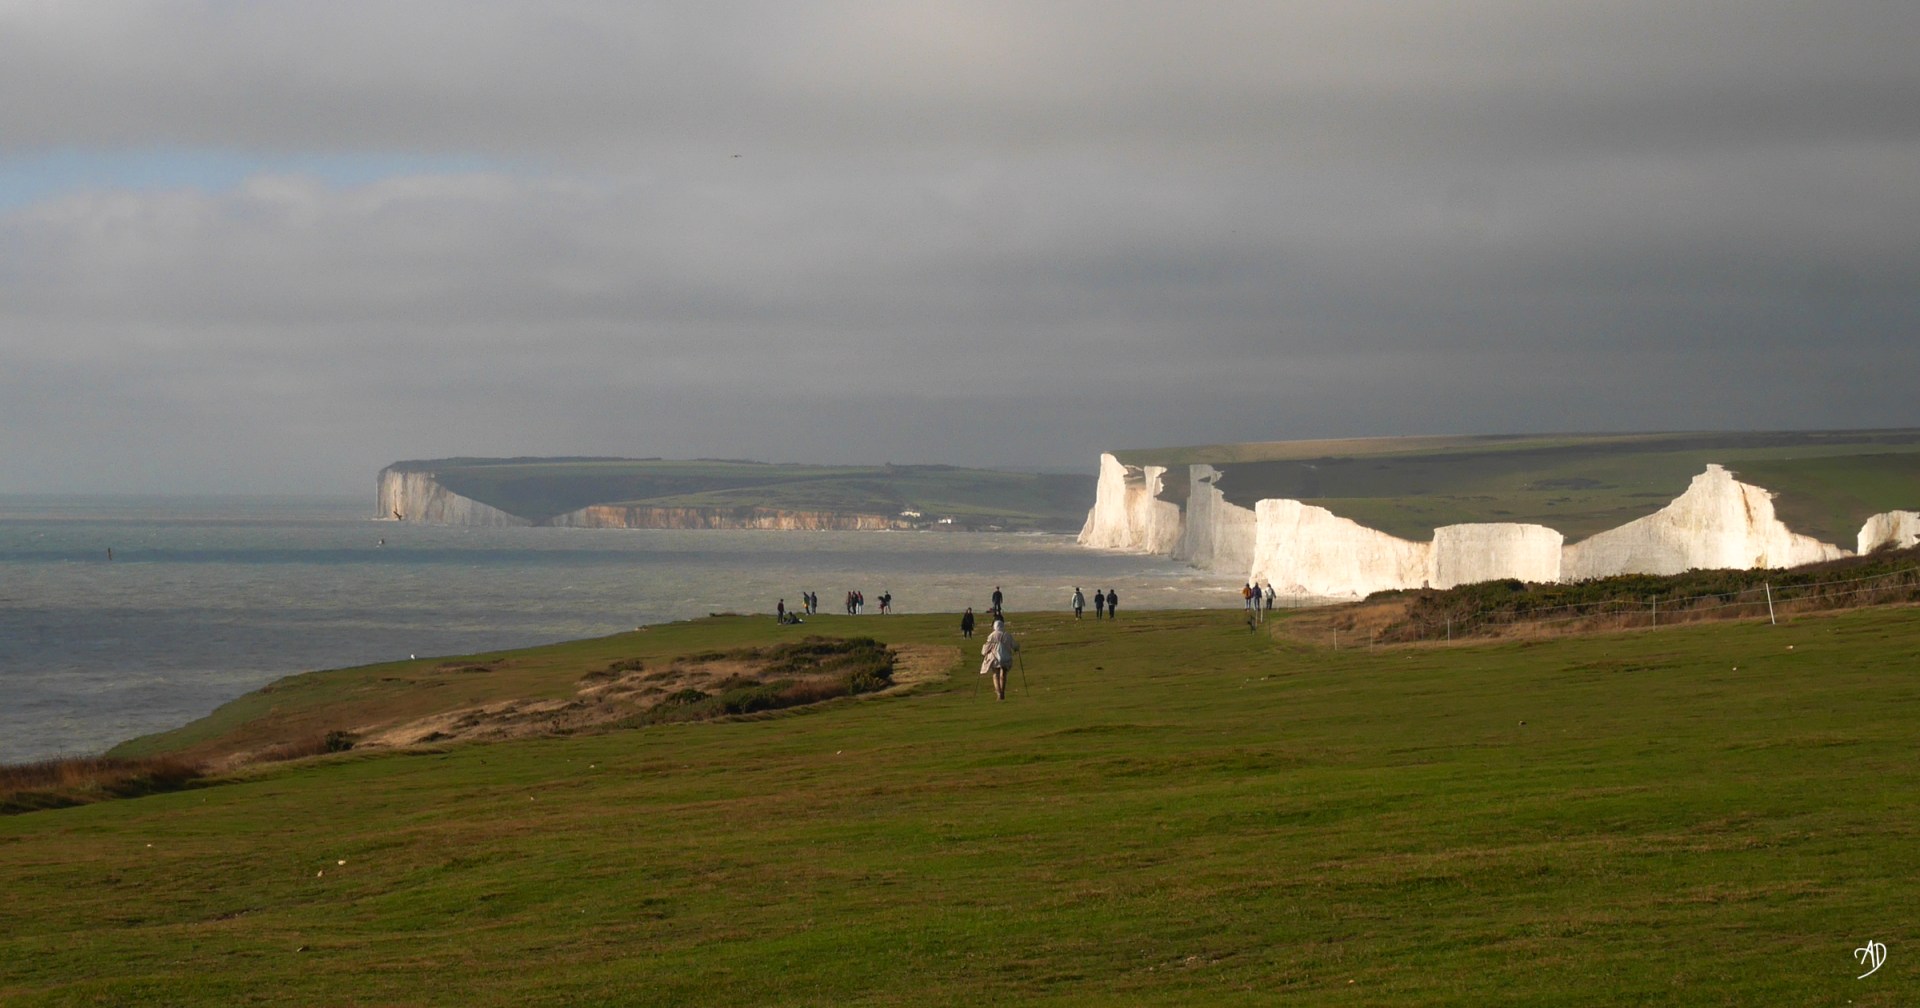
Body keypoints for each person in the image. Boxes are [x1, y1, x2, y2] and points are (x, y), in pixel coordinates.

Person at [980, 618, 1018, 700]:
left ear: (994, 626)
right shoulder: (1007, 635)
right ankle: (1003, 692)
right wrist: (1016, 648)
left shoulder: (992, 635)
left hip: (994, 658)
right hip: (1005, 658)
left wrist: (984, 652)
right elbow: (1014, 645)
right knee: (1003, 675)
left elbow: (987, 647)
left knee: (995, 675)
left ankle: (998, 693)